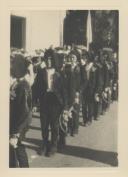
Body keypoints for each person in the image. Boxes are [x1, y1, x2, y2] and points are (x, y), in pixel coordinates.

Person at [33, 54, 66, 157]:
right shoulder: (41, 72)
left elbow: (64, 90)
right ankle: (44, 144)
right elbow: (35, 88)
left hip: (55, 103)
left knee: (54, 126)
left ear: (54, 61)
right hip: (44, 102)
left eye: (51, 60)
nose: (48, 62)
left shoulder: (59, 73)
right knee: (44, 125)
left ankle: (53, 146)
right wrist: (34, 103)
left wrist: (65, 107)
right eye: (47, 60)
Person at [9, 53, 34, 168]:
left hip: (18, 126)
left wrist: (16, 133)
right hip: (13, 124)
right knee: (12, 153)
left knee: (19, 152)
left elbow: (25, 112)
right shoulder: (16, 83)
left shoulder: (23, 86)